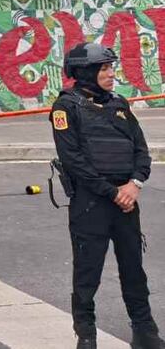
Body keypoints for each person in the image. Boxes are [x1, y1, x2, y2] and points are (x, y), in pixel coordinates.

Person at [51, 42, 162, 349]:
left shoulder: (119, 104)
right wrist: (113, 193)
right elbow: (74, 161)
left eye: (111, 67)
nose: (112, 74)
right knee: (87, 274)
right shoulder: (65, 108)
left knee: (133, 270)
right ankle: (86, 336)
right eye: (104, 68)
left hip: (125, 200)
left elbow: (141, 150)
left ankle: (145, 331)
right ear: (86, 72)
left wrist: (134, 184)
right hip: (91, 203)